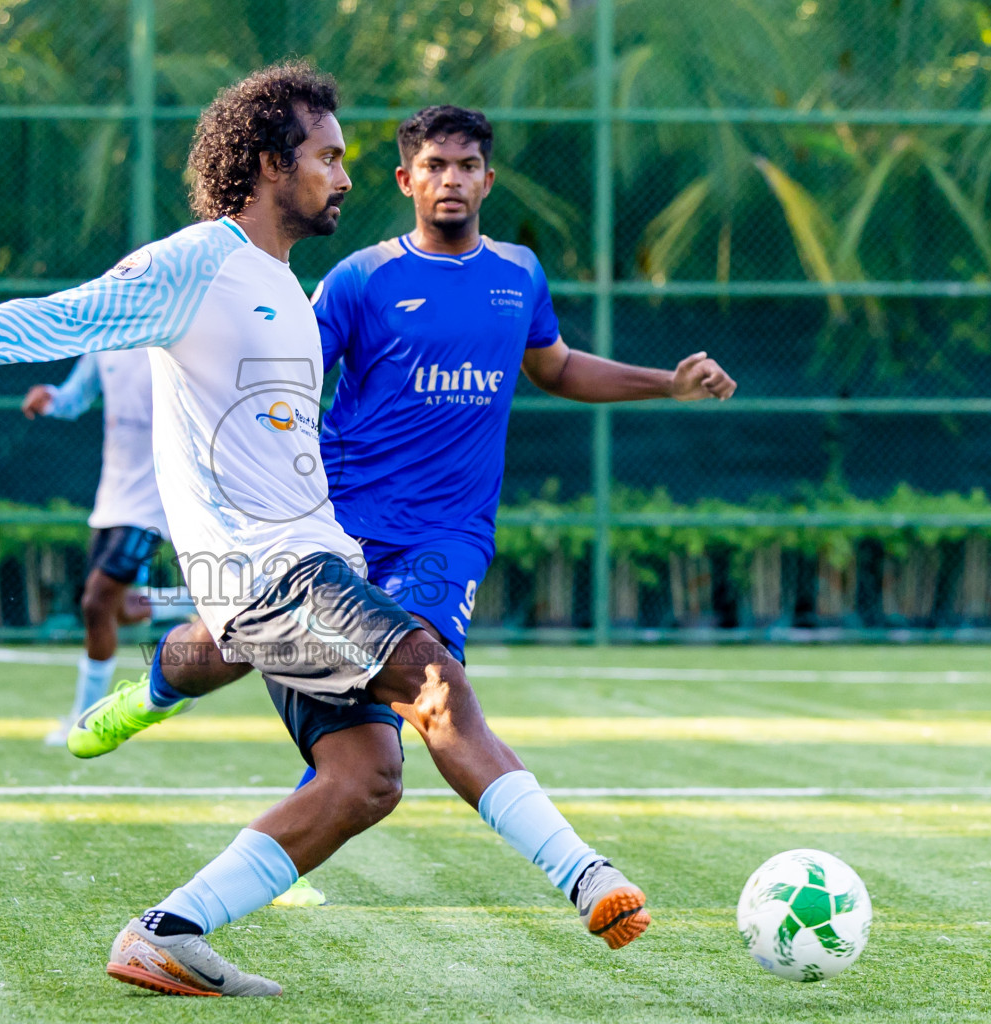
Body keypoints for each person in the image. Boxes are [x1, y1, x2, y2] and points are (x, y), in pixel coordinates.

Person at [0, 61, 649, 999]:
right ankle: (586, 875)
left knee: (366, 780)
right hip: (269, 576)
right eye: (328, 157)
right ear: (270, 163)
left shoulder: (283, 287)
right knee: (436, 683)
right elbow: (68, 313)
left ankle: (165, 932)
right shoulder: (197, 261)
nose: (345, 177)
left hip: (308, 564)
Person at [270, 103, 737, 906]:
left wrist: (666, 383)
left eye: (466, 166)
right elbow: (285, 380)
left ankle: (583, 875)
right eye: (435, 166)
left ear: (489, 178)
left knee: (433, 685)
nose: (451, 180)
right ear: (405, 179)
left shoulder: (518, 274)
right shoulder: (361, 279)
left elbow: (553, 367)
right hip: (340, 533)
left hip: (447, 537)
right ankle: (170, 705)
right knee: (354, 759)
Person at [20, 351, 175, 745]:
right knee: (119, 608)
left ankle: (84, 718)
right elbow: (75, 396)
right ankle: (202, 604)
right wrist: (51, 398)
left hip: (158, 498)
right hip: (113, 497)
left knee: (96, 602)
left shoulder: (177, 331)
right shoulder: (104, 340)